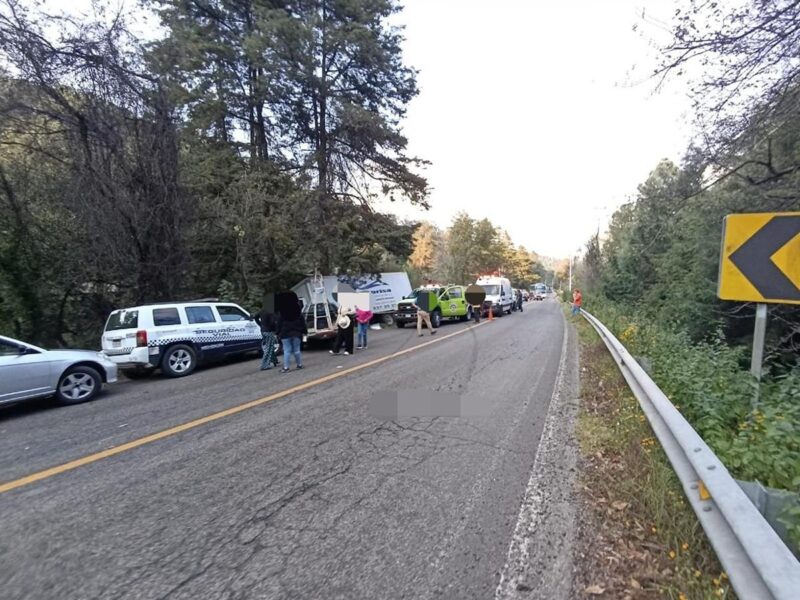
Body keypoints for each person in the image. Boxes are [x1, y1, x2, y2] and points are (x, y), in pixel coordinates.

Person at [276, 294, 307, 373]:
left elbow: (279, 324)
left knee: (287, 351)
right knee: (297, 350)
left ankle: (286, 367)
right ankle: (299, 365)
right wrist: (304, 332)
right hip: (296, 332)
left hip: (285, 334)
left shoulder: (282, 312)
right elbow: (303, 323)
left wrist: (277, 333)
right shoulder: (297, 311)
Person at [254, 306, 278, 371]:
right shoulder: (271, 311)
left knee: (270, 346)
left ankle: (274, 360)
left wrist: (260, 324)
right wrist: (275, 330)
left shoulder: (262, 310)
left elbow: (255, 317)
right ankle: (264, 365)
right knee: (269, 347)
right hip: (269, 331)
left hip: (263, 330)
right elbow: (273, 322)